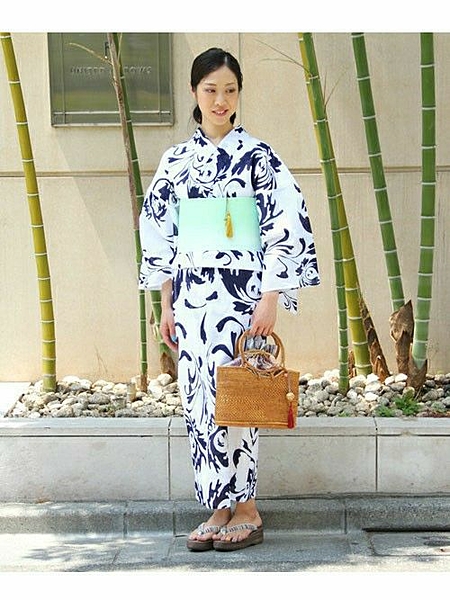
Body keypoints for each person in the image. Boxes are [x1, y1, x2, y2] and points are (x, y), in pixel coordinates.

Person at [138, 47, 320, 552]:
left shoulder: (259, 157)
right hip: (193, 298)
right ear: (194, 93)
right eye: (211, 90)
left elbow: (284, 223)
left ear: (239, 94)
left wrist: (271, 296)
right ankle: (218, 505)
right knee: (199, 400)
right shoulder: (175, 162)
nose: (221, 100)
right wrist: (166, 303)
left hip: (242, 297)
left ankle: (248, 509)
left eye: (230, 90)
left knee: (238, 394)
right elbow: (161, 233)